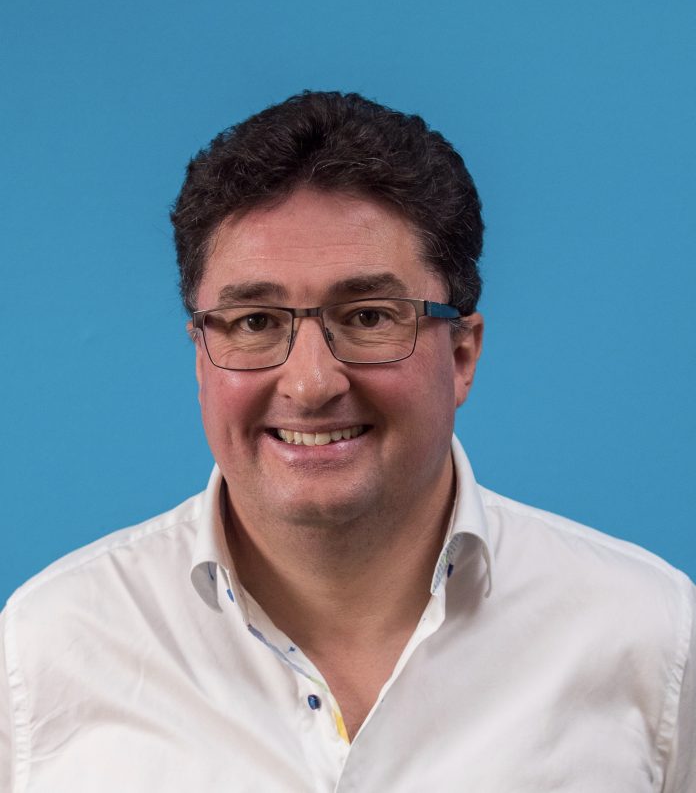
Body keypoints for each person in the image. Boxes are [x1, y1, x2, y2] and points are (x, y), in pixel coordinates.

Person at [1, 91, 693, 791]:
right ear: (201, 358)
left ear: (462, 356)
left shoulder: (652, 636)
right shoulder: (48, 652)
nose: (310, 384)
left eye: (368, 316)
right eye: (254, 321)